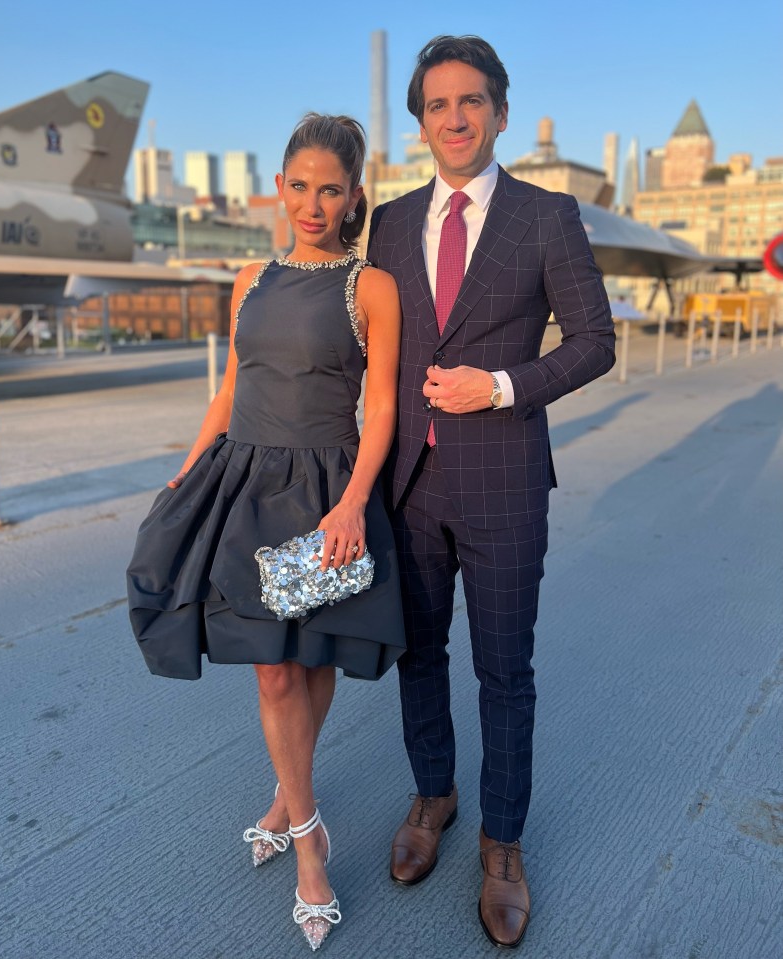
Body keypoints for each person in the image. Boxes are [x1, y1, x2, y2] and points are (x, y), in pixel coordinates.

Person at [127, 113, 405, 952]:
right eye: (299, 186)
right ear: (278, 187)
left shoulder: (371, 286)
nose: (312, 203)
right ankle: (309, 839)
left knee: (309, 656)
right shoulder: (248, 276)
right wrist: (188, 466)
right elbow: (228, 387)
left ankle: (288, 800)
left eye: (330, 189)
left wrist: (354, 501)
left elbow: (382, 404)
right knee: (273, 673)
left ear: (354, 195)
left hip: (325, 488)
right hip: (243, 483)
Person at [367, 36, 615, 948]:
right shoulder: (389, 223)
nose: (455, 118)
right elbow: (375, 349)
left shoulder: (546, 216)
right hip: (410, 483)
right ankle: (432, 797)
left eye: (471, 101)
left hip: (505, 481)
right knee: (418, 656)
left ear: (500, 113)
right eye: (437, 105)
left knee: (503, 673)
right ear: (421, 122)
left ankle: (501, 844)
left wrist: (501, 385)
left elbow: (594, 341)